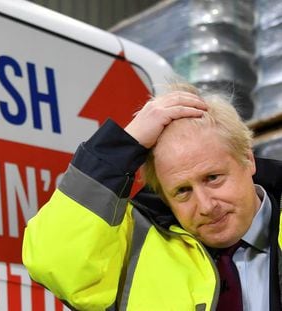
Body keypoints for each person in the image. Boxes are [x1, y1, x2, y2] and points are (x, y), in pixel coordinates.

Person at [22, 82, 282, 310]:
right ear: (163, 195)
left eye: (213, 178)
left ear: (247, 159)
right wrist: (119, 147)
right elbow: (54, 261)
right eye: (182, 191)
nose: (205, 205)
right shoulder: (135, 248)